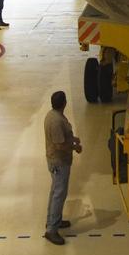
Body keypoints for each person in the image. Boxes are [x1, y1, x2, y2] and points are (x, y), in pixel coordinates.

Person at [43, 90, 82, 245]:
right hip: (59, 162)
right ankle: (51, 230)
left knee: (55, 192)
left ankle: (54, 220)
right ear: (64, 103)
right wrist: (75, 147)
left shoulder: (52, 115)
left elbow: (62, 138)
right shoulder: (57, 121)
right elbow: (60, 145)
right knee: (59, 194)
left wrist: (73, 139)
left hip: (56, 161)